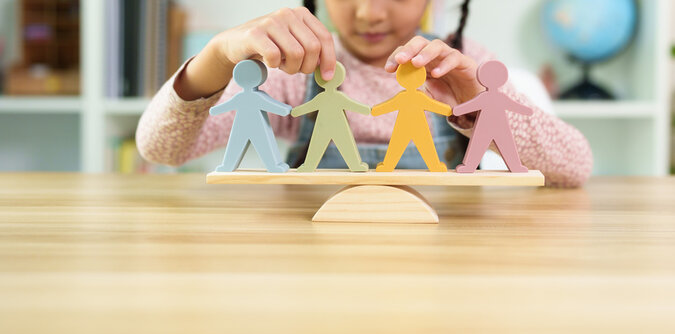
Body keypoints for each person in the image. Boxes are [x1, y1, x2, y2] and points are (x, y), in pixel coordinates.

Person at [136, 0, 593, 187]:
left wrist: (476, 107)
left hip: (445, 270)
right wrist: (216, 57)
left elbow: (575, 167)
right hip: (313, 269)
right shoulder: (293, 72)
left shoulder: (463, 63)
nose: (369, 13)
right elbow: (162, 148)